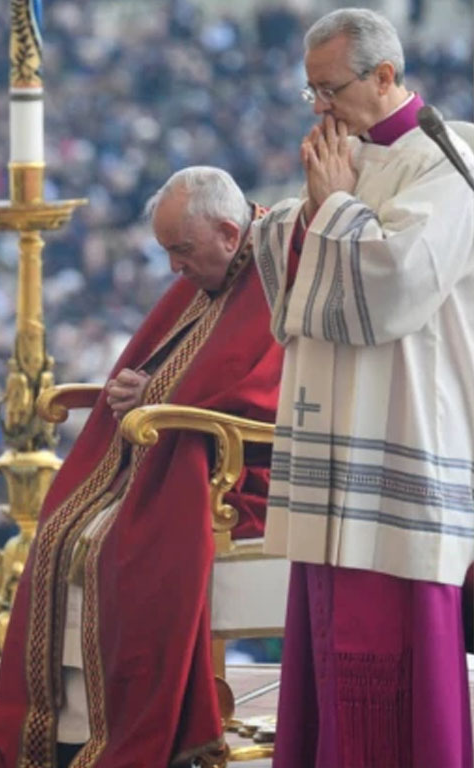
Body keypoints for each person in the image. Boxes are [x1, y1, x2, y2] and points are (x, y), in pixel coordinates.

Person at [0, 167, 284, 768]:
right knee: (62, 534)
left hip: (236, 479)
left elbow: (264, 393)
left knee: (120, 547)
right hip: (167, 455)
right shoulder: (214, 267)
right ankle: (64, 736)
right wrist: (144, 390)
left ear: (227, 231)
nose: (173, 270)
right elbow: (176, 365)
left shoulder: (274, 270)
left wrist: (159, 397)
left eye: (181, 251)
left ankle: (124, 737)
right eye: (166, 252)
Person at [251, 8, 474, 768]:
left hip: (406, 432)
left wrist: (334, 207)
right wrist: (308, 213)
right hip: (337, 438)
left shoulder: (449, 158)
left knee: (399, 627)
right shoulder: (345, 154)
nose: (318, 107)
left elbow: (398, 281)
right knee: (327, 622)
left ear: (385, 76)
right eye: (308, 90)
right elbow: (301, 243)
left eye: (330, 88)